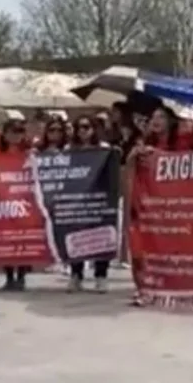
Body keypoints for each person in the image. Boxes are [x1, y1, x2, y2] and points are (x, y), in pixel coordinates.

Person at [68, 117, 111, 292]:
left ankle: (101, 275)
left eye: (86, 127)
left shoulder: (105, 149)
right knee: (75, 236)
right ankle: (76, 274)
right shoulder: (70, 150)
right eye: (79, 127)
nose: (82, 131)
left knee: (102, 237)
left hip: (99, 199)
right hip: (76, 200)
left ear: (94, 129)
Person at [0, 118, 35, 290]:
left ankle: (21, 276)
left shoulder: (31, 153)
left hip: (25, 199)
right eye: (12, 131)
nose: (15, 135)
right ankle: (8, 276)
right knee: (6, 237)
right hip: (4, 199)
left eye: (19, 131)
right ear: (5, 134)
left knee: (23, 237)